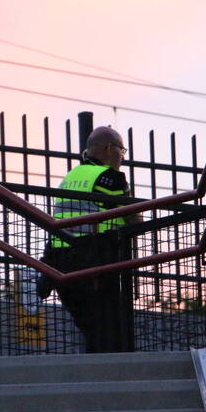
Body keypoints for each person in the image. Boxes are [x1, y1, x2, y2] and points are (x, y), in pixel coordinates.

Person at [42, 126, 140, 353]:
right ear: (109, 149)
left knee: (89, 327)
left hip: (61, 263)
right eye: (122, 150)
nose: (122, 157)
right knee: (110, 329)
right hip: (96, 262)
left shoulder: (71, 176)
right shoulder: (109, 178)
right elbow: (133, 218)